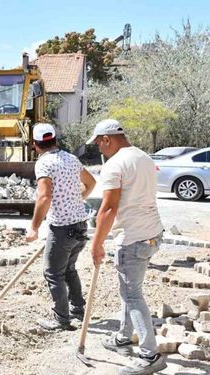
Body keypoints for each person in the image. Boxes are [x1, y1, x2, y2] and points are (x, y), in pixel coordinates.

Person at [88, 119, 166, 375]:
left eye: (98, 142)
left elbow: (108, 209)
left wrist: (97, 244)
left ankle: (150, 355)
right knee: (129, 290)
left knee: (132, 295)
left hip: (133, 239)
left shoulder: (114, 164)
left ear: (107, 139)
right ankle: (123, 338)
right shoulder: (142, 156)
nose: (98, 148)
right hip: (153, 233)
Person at [25, 123, 96, 330]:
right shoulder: (71, 159)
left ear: (36, 145)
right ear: (55, 140)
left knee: (53, 273)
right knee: (68, 269)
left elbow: (44, 196)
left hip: (62, 229)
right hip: (80, 226)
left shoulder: (44, 164)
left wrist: (34, 227)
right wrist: (76, 199)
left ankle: (61, 319)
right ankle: (77, 309)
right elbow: (91, 183)